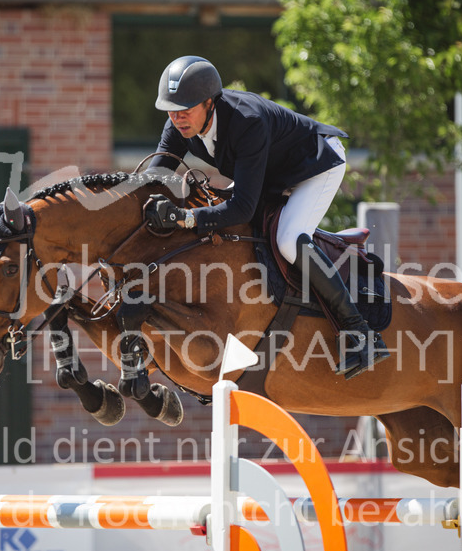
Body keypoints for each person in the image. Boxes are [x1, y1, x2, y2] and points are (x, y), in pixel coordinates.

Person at [143, 55, 389, 379]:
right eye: (171, 111)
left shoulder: (247, 120)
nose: (177, 119)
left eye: (185, 111)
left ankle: (359, 332)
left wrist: (186, 218)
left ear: (209, 103)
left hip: (315, 164)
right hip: (273, 170)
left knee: (289, 240)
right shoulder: (180, 123)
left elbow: (243, 207)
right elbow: (154, 175)